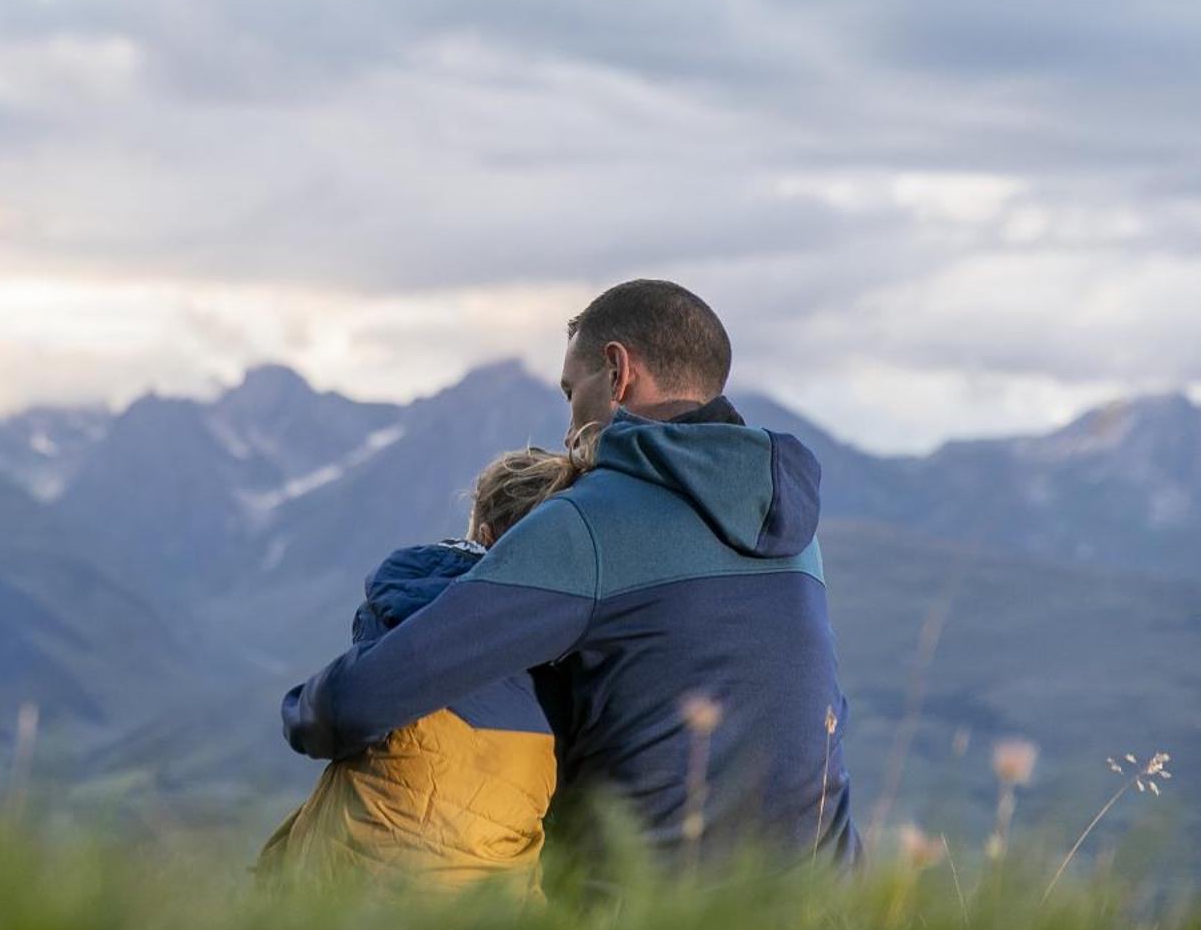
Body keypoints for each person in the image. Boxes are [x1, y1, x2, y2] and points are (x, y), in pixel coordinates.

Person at [282, 280, 858, 864]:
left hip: (645, 913)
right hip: (819, 914)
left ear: (616, 372)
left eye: (569, 391)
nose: (566, 431)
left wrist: (305, 708)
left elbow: (359, 703)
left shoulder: (592, 522)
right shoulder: (792, 534)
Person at [258, 445, 592, 894]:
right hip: (491, 911)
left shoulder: (413, 606)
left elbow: (326, 717)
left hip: (355, 888)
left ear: (484, 533)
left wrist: (299, 705)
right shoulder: (575, 647)